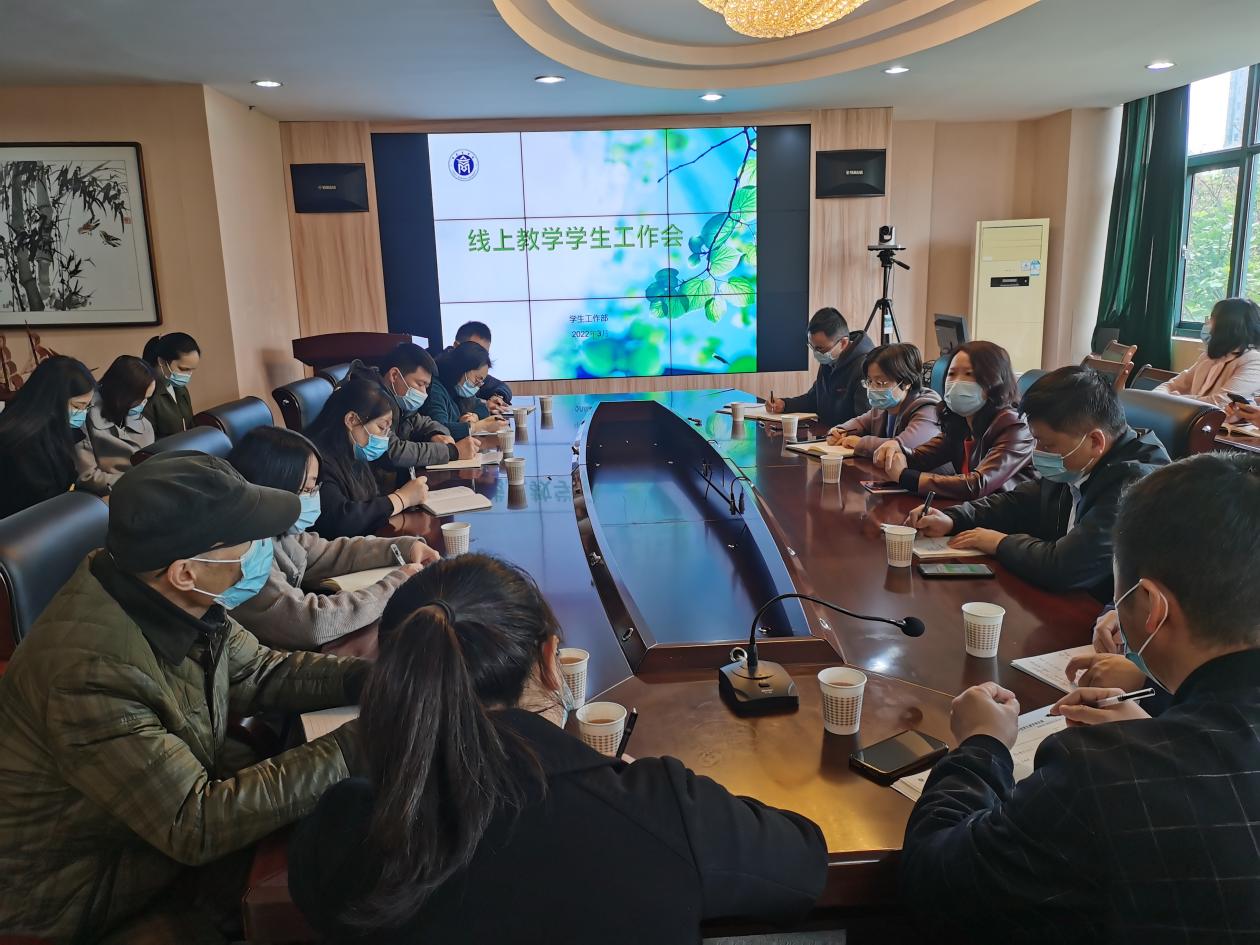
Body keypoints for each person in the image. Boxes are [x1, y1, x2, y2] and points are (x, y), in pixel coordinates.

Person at [288, 554, 828, 944]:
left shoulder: (344, 828)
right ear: (550, 660)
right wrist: (635, 787)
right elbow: (802, 863)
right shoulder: (660, 808)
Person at [0, 452, 369, 943]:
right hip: (82, 894)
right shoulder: (89, 674)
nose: (261, 550)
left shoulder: (165, 595)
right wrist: (363, 741)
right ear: (186, 572)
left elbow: (260, 670)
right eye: (248, 541)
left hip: (146, 832)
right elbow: (193, 824)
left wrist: (369, 680)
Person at [900, 452, 1260, 943]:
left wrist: (981, 746)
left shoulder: (1104, 774)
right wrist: (1158, 726)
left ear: (1152, 607)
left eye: (1118, 594)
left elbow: (935, 882)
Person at [906, 366, 1169, 600]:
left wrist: (999, 543)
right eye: (1036, 440)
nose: (1038, 452)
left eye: (1047, 444)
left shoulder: (1135, 484)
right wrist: (953, 518)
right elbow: (1017, 503)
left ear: (1095, 441)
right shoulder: (1078, 463)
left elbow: (1065, 568)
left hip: (1105, 617)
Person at [227, 426, 441, 654]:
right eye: (307, 489)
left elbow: (331, 552)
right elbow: (313, 623)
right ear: (274, 488)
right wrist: (396, 583)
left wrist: (406, 547)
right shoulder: (243, 556)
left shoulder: (278, 530)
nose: (314, 497)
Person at [873, 341, 1033, 499]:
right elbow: (922, 458)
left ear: (995, 381)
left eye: (969, 374)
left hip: (1008, 514)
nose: (956, 382)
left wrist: (905, 477)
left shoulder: (1016, 426)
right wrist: (896, 450)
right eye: (951, 374)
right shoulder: (961, 421)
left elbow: (977, 484)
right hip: (969, 510)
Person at [306, 379, 430, 539]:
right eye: (381, 427)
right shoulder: (315, 461)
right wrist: (402, 499)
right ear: (351, 420)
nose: (385, 438)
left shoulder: (352, 449)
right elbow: (340, 521)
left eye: (387, 430)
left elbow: (368, 498)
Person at [346, 342, 479, 477]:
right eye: (420, 384)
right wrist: (452, 452)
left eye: (426, 387)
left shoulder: (397, 400)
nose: (424, 393)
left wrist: (436, 434)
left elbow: (421, 421)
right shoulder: (368, 398)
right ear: (394, 375)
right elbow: (392, 451)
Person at [0, 355, 96, 519]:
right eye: (78, 406)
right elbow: (40, 499)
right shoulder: (20, 442)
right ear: (52, 400)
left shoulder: (54, 427)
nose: (83, 413)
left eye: (88, 406)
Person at [827, 343, 942, 457]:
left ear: (906, 382)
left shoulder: (928, 408)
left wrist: (861, 443)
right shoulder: (882, 407)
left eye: (880, 383)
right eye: (869, 381)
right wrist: (840, 430)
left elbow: (903, 445)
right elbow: (860, 423)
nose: (872, 388)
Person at [766, 307, 873, 428]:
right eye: (812, 347)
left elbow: (865, 422)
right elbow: (813, 400)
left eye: (820, 348)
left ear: (843, 343)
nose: (816, 353)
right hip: (826, 434)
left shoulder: (865, 367)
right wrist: (785, 404)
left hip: (846, 437)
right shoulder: (830, 359)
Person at [74, 354, 156, 495]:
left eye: (147, 399)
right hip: (109, 495)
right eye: (140, 399)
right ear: (123, 394)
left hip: (143, 489)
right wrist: (135, 482)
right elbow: (87, 476)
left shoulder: (140, 419)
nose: (143, 404)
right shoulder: (84, 417)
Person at [1155, 297, 1260, 407]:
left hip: (1217, 418)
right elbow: (1172, 385)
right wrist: (1156, 397)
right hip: (1193, 414)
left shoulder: (1254, 361)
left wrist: (1173, 399)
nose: (1208, 323)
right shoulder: (1209, 356)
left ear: (1227, 325)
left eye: (1213, 318)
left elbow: (1220, 401)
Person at [421, 343, 507, 442]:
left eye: (481, 381)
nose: (477, 385)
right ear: (462, 369)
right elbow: (438, 429)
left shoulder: (459, 387)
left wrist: (474, 416)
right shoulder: (435, 390)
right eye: (477, 379)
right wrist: (477, 427)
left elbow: (481, 406)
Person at [141, 331, 200, 437]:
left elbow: (190, 426)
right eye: (183, 369)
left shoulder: (181, 389)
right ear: (161, 361)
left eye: (191, 370)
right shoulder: (146, 394)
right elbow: (148, 440)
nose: (188, 375)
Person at [451, 320, 512, 410]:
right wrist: (484, 407)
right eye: (475, 351)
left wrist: (497, 397)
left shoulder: (476, 375)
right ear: (456, 346)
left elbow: (501, 386)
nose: (480, 358)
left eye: (484, 354)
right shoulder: (438, 374)